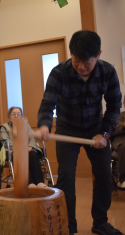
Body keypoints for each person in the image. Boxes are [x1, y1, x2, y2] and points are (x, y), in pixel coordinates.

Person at [37, 30, 122, 235]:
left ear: (98, 54)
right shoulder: (59, 72)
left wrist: (105, 134)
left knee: (104, 175)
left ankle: (100, 222)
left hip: (96, 128)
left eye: (86, 62)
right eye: (76, 60)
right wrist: (44, 125)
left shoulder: (108, 72)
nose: (81, 67)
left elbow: (114, 106)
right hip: (67, 128)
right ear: (71, 54)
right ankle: (69, 226)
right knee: (66, 177)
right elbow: (48, 104)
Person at [0, 107, 47, 187]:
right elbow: (5, 141)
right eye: (13, 114)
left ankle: (39, 182)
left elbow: (32, 137)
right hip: (14, 151)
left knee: (32, 154)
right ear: (9, 117)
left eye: (18, 114)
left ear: (21, 116)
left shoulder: (26, 125)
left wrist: (30, 146)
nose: (16, 116)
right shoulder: (4, 127)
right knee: (21, 156)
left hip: (28, 149)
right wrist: (20, 149)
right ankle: (30, 183)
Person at [110, 95, 125, 188]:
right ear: (124, 103)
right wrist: (123, 126)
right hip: (120, 141)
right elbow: (110, 132)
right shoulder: (117, 116)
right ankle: (123, 179)